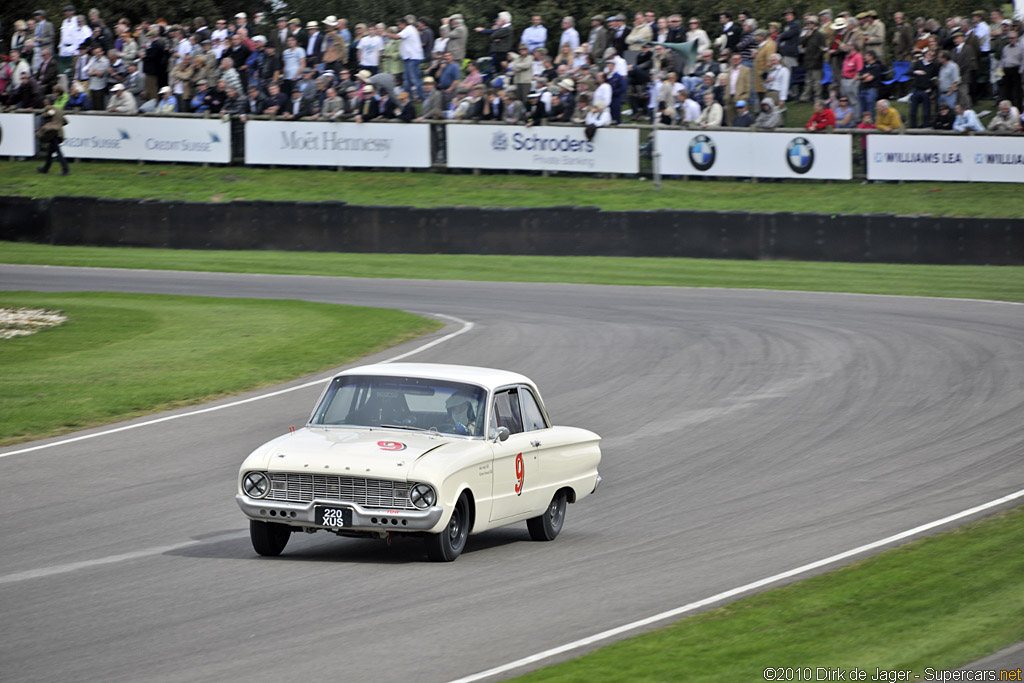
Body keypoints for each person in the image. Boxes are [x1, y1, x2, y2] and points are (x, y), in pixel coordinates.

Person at [35, 103, 69, 176]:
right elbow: (66, 121)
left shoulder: (49, 108)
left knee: (58, 152)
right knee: (49, 152)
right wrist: (59, 124)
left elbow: (45, 115)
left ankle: (65, 170)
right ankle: (45, 169)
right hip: (59, 134)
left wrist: (45, 115)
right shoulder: (59, 110)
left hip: (54, 134)